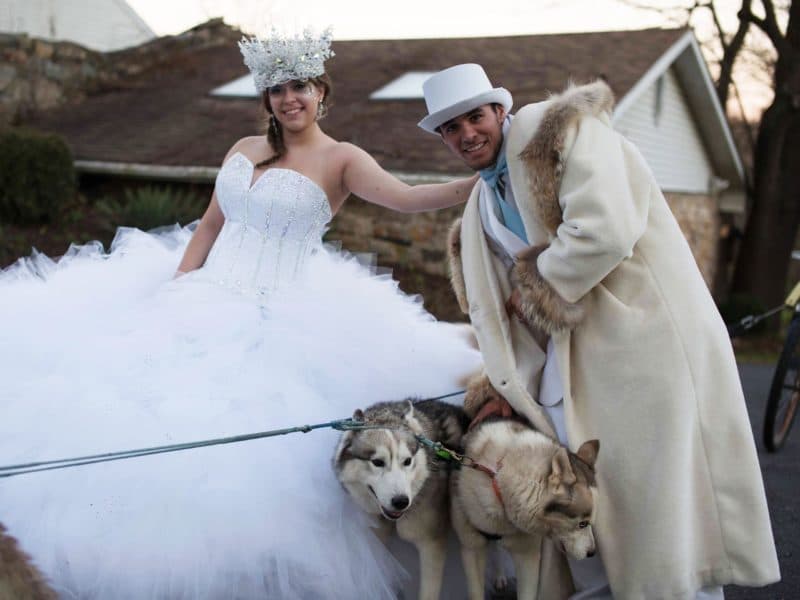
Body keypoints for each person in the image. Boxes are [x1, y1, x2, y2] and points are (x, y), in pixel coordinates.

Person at [0, 32, 483, 599]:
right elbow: (210, 225)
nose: (288, 98)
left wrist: (482, 181)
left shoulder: (342, 158)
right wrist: (176, 289)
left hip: (276, 312)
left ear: (320, 91)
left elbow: (405, 197)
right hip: (200, 296)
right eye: (276, 89)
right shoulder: (242, 147)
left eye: (299, 86)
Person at [419, 63, 780, 599]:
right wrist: (500, 381)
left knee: (662, 502)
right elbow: (498, 309)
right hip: (572, 369)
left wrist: (534, 285)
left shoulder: (562, 135)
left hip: (645, 345)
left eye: (475, 117)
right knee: (592, 507)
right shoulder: (478, 204)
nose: (466, 134)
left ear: (500, 110)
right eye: (451, 127)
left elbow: (606, 230)